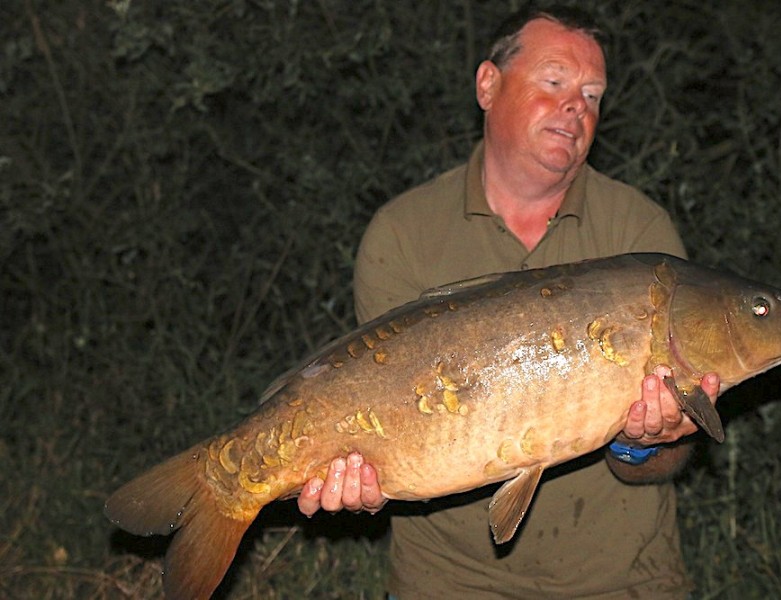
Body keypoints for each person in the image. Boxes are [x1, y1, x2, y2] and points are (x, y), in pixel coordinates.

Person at [298, 6, 720, 599]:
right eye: (554, 82)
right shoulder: (402, 233)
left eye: (593, 95)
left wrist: (646, 439)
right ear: (488, 85)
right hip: (447, 583)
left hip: (618, 580)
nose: (578, 106)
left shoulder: (638, 233)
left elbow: (662, 464)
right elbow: (378, 418)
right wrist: (361, 478)